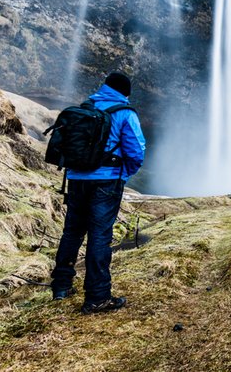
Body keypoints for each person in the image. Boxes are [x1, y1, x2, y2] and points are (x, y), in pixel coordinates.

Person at [50, 71, 146, 314]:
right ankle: (98, 297)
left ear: (104, 87)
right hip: (106, 181)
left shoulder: (87, 106)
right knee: (100, 236)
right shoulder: (125, 113)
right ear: (126, 93)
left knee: (72, 233)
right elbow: (136, 151)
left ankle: (61, 287)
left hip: (76, 179)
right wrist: (124, 173)